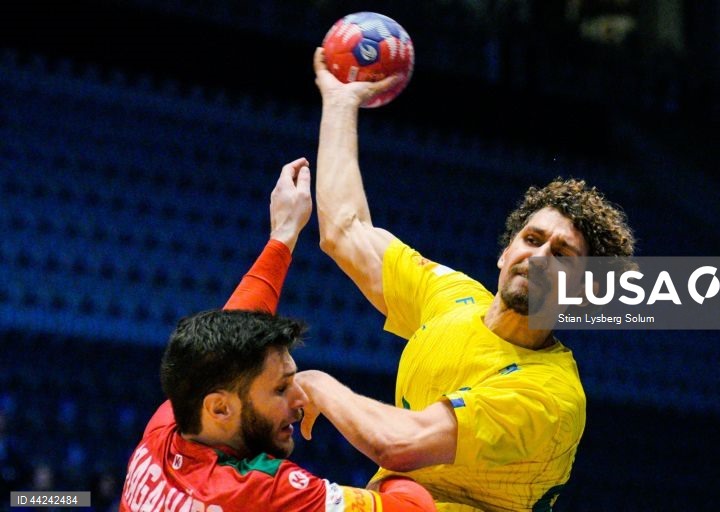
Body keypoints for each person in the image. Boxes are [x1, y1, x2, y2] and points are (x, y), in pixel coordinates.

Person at [299, 48, 636, 511]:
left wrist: (318, 384)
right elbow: (343, 229)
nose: (538, 256)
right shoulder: (452, 299)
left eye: (561, 254)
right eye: (532, 238)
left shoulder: (550, 396)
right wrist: (340, 102)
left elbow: (396, 444)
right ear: (504, 253)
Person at [119, 158, 436, 512]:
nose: (299, 400)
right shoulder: (266, 492)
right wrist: (392, 449)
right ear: (220, 407)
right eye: (281, 388)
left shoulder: (167, 429)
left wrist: (284, 232)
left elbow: (233, 330)